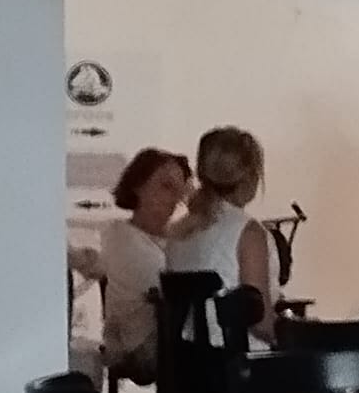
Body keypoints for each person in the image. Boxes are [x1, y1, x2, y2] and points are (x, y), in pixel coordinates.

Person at [72, 145, 187, 374]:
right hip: (136, 345)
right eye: (166, 186)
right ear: (138, 186)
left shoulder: (180, 240)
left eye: (180, 190)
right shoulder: (119, 237)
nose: (174, 198)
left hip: (172, 335)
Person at [164, 127, 276, 325]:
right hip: (239, 343)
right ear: (250, 175)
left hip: (187, 344)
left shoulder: (176, 232)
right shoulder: (248, 232)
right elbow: (260, 322)